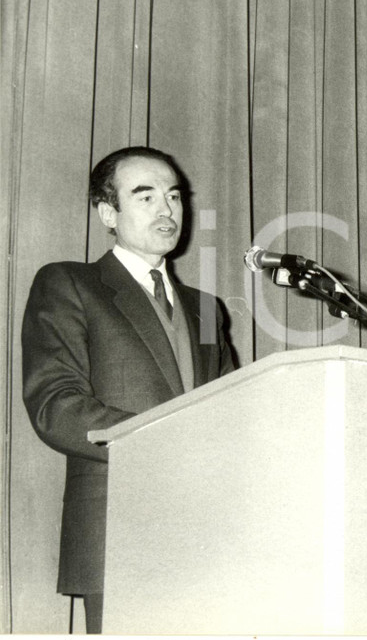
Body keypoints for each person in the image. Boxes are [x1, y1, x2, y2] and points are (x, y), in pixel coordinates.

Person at [21, 147, 236, 633]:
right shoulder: (70, 283)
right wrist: (167, 439)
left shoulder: (208, 310)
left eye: (175, 197)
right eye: (146, 197)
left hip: (210, 532)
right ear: (107, 213)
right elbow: (56, 406)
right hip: (120, 527)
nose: (167, 210)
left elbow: (231, 409)